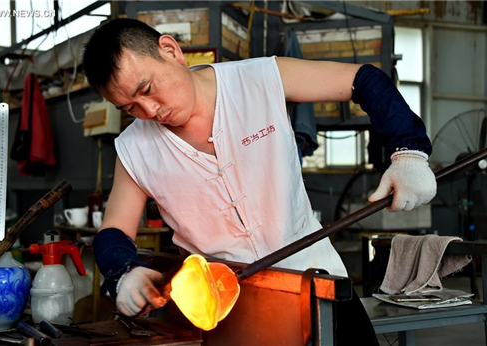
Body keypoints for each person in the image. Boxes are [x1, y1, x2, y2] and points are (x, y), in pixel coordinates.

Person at [84, 18, 436, 344]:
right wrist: (123, 271)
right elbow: (114, 230)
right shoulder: (134, 148)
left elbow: (365, 80)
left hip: (316, 280)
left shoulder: (259, 79)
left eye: (147, 88)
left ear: (171, 51)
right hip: (227, 307)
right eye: (130, 107)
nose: (150, 111)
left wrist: (408, 150)